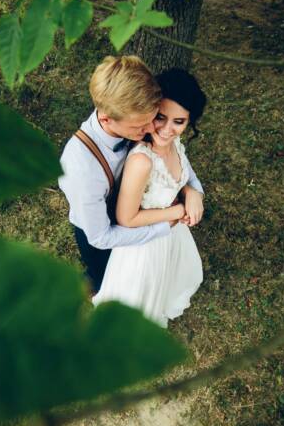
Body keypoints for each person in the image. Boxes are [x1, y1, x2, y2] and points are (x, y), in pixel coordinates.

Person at [59, 57, 205, 295]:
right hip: (104, 233)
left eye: (151, 119)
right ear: (106, 118)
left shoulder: (135, 116)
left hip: (141, 217)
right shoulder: (80, 168)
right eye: (140, 127)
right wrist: (165, 224)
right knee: (106, 280)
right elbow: (101, 237)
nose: (151, 131)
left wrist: (192, 190)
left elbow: (174, 163)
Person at [91, 68, 207, 328]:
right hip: (143, 245)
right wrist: (177, 212)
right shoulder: (142, 160)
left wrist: (192, 192)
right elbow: (126, 218)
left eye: (179, 122)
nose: (167, 130)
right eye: (161, 118)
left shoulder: (174, 144)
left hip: (170, 237)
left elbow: (180, 176)